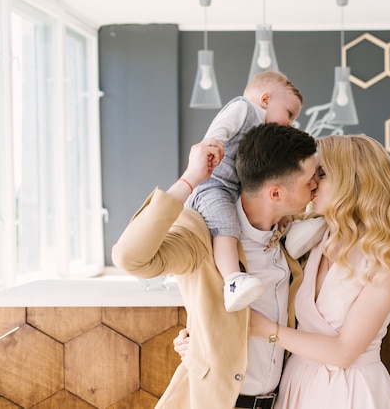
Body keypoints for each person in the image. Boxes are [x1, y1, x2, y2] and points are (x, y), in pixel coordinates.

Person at [112, 123, 318, 409]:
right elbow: (130, 258)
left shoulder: (291, 233)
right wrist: (189, 179)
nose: (316, 184)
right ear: (275, 193)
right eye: (309, 180)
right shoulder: (203, 235)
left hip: (281, 401)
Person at [249, 134, 390, 409]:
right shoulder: (316, 238)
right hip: (298, 384)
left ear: (351, 181)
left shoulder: (385, 257)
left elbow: (344, 352)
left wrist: (261, 328)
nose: (311, 183)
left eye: (320, 174)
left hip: (350, 392)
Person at [187, 71, 304, 312]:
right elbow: (223, 126)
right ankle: (232, 280)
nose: (290, 122)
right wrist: (214, 142)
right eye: (289, 113)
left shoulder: (263, 134)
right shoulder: (244, 109)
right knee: (226, 226)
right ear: (265, 99)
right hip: (213, 185)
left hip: (232, 190)